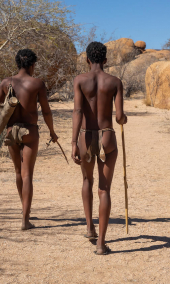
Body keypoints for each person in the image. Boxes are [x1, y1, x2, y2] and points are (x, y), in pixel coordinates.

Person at [71, 41, 127, 255]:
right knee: (104, 190)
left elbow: (77, 111)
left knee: (87, 180)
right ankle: (101, 244)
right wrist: (125, 119)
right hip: (107, 137)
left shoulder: (80, 80)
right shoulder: (115, 82)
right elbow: (119, 117)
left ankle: (90, 229)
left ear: (87, 59)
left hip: (85, 137)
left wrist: (73, 142)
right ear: (105, 60)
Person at [0, 49, 58, 230]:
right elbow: (46, 111)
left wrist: (8, 118)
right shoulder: (37, 83)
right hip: (30, 132)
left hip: (11, 131)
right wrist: (52, 131)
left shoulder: (6, 82)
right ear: (32, 65)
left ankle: (24, 210)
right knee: (27, 174)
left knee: (17, 172)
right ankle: (25, 220)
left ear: (17, 64)